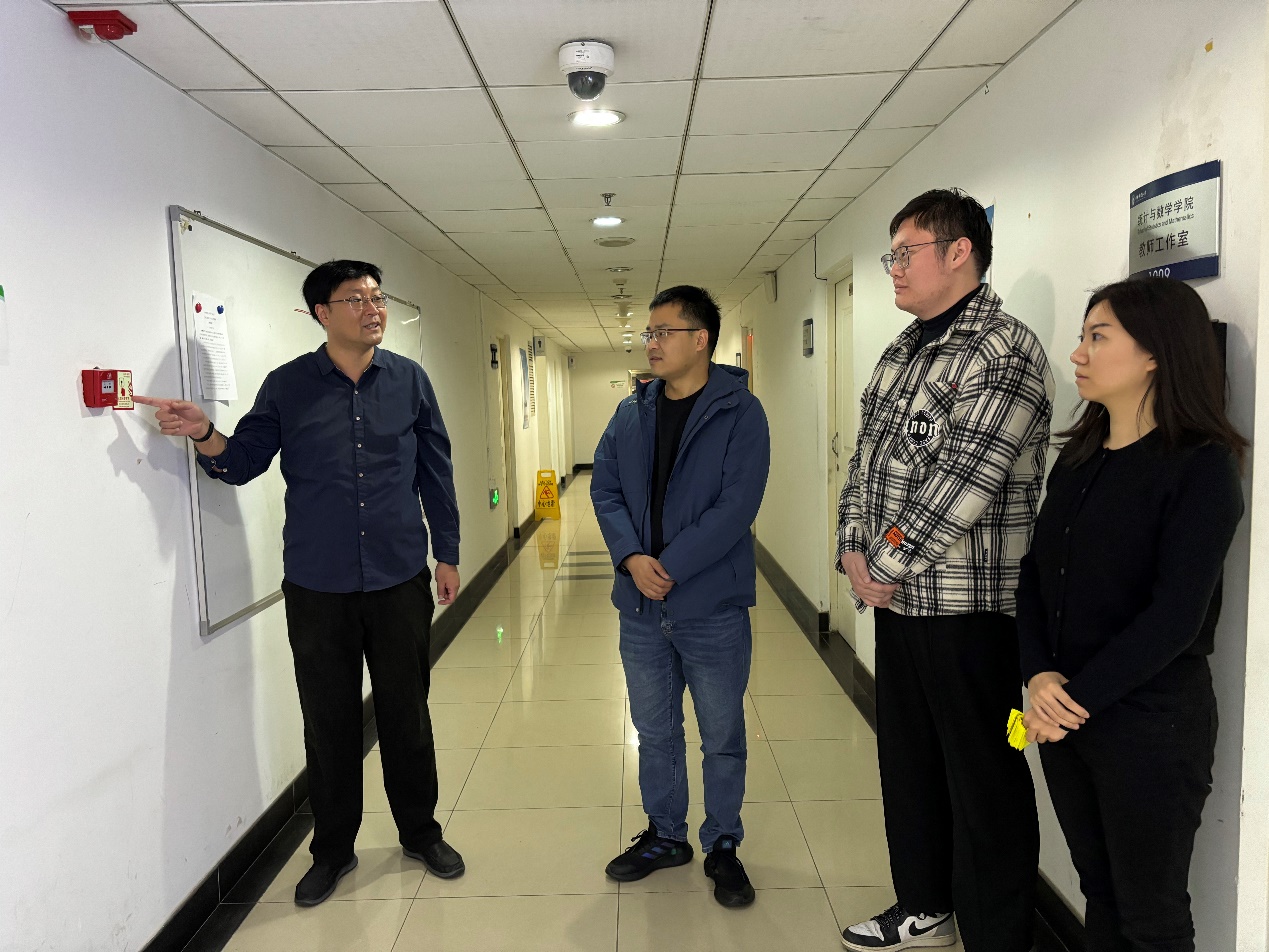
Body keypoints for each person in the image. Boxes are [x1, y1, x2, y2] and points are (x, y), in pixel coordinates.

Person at [137, 260, 465, 906]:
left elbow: (436, 470)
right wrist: (204, 432)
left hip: (399, 576)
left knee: (407, 713)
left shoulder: (410, 380)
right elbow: (242, 461)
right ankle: (333, 851)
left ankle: (421, 833)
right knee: (328, 719)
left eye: (378, 297)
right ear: (321, 313)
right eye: (356, 299)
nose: (373, 309)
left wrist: (447, 554)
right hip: (318, 585)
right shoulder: (287, 386)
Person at [835, 189, 1053, 952]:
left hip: (969, 611)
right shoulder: (902, 350)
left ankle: (997, 936)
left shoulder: (1003, 350)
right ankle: (924, 905)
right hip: (898, 604)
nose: (893, 267)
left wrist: (880, 563)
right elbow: (863, 460)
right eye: (890, 255)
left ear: (958, 251)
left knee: (984, 778)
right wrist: (851, 547)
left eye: (906, 252)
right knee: (908, 762)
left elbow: (964, 481)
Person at [1017, 277, 1245, 952]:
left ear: (1154, 353)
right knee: (1100, 890)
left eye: (1098, 337)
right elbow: (1036, 576)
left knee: (1151, 915)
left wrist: (1070, 700)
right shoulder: (1079, 457)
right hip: (1066, 715)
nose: (1077, 354)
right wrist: (1037, 675)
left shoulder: (1201, 469)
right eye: (1082, 336)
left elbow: (1174, 618)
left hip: (1149, 727)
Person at [591, 285, 771, 908]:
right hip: (641, 608)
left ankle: (722, 843)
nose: (652, 342)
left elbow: (736, 507)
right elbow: (605, 489)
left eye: (664, 331)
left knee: (721, 733)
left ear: (701, 339)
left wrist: (668, 566)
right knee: (655, 729)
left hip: (711, 606)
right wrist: (630, 557)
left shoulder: (740, 413)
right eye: (650, 332)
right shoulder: (631, 412)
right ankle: (666, 834)